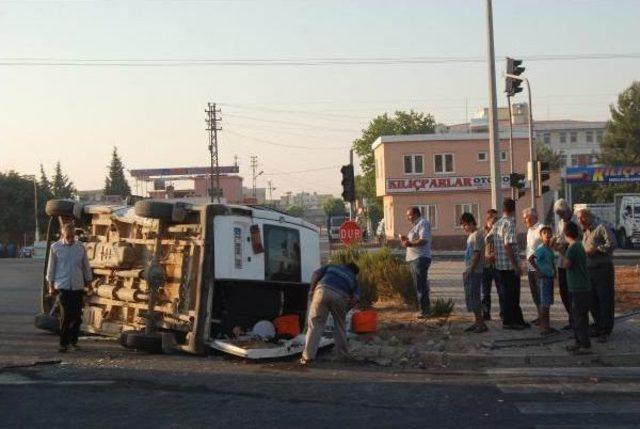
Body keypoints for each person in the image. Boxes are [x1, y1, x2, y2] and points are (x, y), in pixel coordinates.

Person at [300, 263, 360, 365]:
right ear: (354, 272)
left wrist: (311, 291)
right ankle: (343, 356)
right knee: (340, 326)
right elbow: (355, 299)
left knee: (315, 325)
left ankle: (308, 358)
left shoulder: (333, 266)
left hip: (322, 290)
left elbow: (315, 274)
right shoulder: (354, 279)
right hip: (341, 296)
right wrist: (345, 310)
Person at [46, 223, 92, 353]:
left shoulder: (80, 247)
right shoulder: (55, 247)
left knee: (77, 316)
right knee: (66, 315)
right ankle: (63, 343)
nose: (71, 238)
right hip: (63, 286)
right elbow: (51, 268)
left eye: (73, 236)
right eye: (68, 236)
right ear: (63, 234)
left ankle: (73, 341)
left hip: (78, 286)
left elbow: (86, 267)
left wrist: (89, 284)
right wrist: (50, 286)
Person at [576, 208, 616, 343]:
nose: (579, 220)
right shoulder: (585, 232)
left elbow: (612, 243)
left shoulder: (601, 228)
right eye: (578, 218)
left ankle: (605, 330)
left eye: (581, 217)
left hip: (603, 270)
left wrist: (597, 250)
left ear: (587, 217)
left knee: (605, 300)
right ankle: (599, 326)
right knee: (592, 301)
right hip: (589, 271)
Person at [494, 198, 528, 330]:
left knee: (506, 295)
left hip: (500, 266)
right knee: (513, 295)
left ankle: (518, 320)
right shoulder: (510, 223)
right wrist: (516, 266)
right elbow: (508, 245)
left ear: (503, 209)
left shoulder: (498, 223)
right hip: (509, 266)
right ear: (514, 209)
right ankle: (510, 322)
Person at [563, 221, 592, 355]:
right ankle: (579, 342)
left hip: (578, 287)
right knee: (579, 316)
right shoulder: (579, 245)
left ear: (566, 233)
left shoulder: (572, 248)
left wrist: (560, 253)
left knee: (579, 317)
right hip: (581, 286)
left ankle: (585, 345)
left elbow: (567, 264)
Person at [400, 207, 432, 318]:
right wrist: (406, 240)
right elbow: (414, 240)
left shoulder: (423, 223)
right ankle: (423, 309)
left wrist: (410, 244)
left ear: (416, 214)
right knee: (418, 285)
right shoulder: (415, 226)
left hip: (420, 258)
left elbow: (423, 240)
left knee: (421, 285)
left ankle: (425, 311)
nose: (407, 218)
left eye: (409, 215)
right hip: (414, 259)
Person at [552, 199, 579, 330]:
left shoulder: (576, 221)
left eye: (561, 213)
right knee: (563, 292)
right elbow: (558, 237)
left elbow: (578, 240)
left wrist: (565, 245)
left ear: (567, 210)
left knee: (572, 293)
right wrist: (555, 243)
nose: (560, 216)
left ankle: (576, 320)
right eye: (558, 214)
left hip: (572, 261)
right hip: (562, 261)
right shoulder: (560, 223)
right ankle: (571, 318)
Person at [460, 213, 488, 333]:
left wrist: (470, 270)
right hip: (470, 270)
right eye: (462, 225)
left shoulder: (477, 235)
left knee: (475, 297)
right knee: (471, 297)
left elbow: (477, 255)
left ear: (471, 223)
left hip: (475, 271)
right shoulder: (471, 235)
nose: (464, 228)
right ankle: (477, 322)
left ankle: (481, 324)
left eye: (465, 225)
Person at [528, 225, 556, 335]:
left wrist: (554, 271)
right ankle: (543, 327)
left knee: (547, 303)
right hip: (543, 279)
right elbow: (530, 259)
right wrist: (537, 272)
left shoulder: (549, 249)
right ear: (541, 236)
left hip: (549, 278)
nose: (548, 235)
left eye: (549, 233)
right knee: (544, 303)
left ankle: (547, 326)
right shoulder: (541, 249)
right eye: (545, 233)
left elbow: (551, 262)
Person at [482, 209, 503, 321]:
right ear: (487, 220)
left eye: (495, 219)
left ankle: (503, 313)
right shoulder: (482, 233)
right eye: (491, 218)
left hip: (498, 265)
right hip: (486, 266)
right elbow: (479, 249)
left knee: (501, 291)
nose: (493, 221)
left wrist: (495, 255)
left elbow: (505, 247)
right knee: (485, 292)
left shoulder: (500, 232)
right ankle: (486, 313)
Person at [523, 208, 543, 324]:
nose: (524, 220)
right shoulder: (529, 230)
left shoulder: (541, 228)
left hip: (539, 264)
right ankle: (539, 314)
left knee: (541, 290)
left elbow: (545, 246)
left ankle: (544, 316)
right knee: (534, 291)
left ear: (533, 217)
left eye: (526, 218)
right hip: (531, 265)